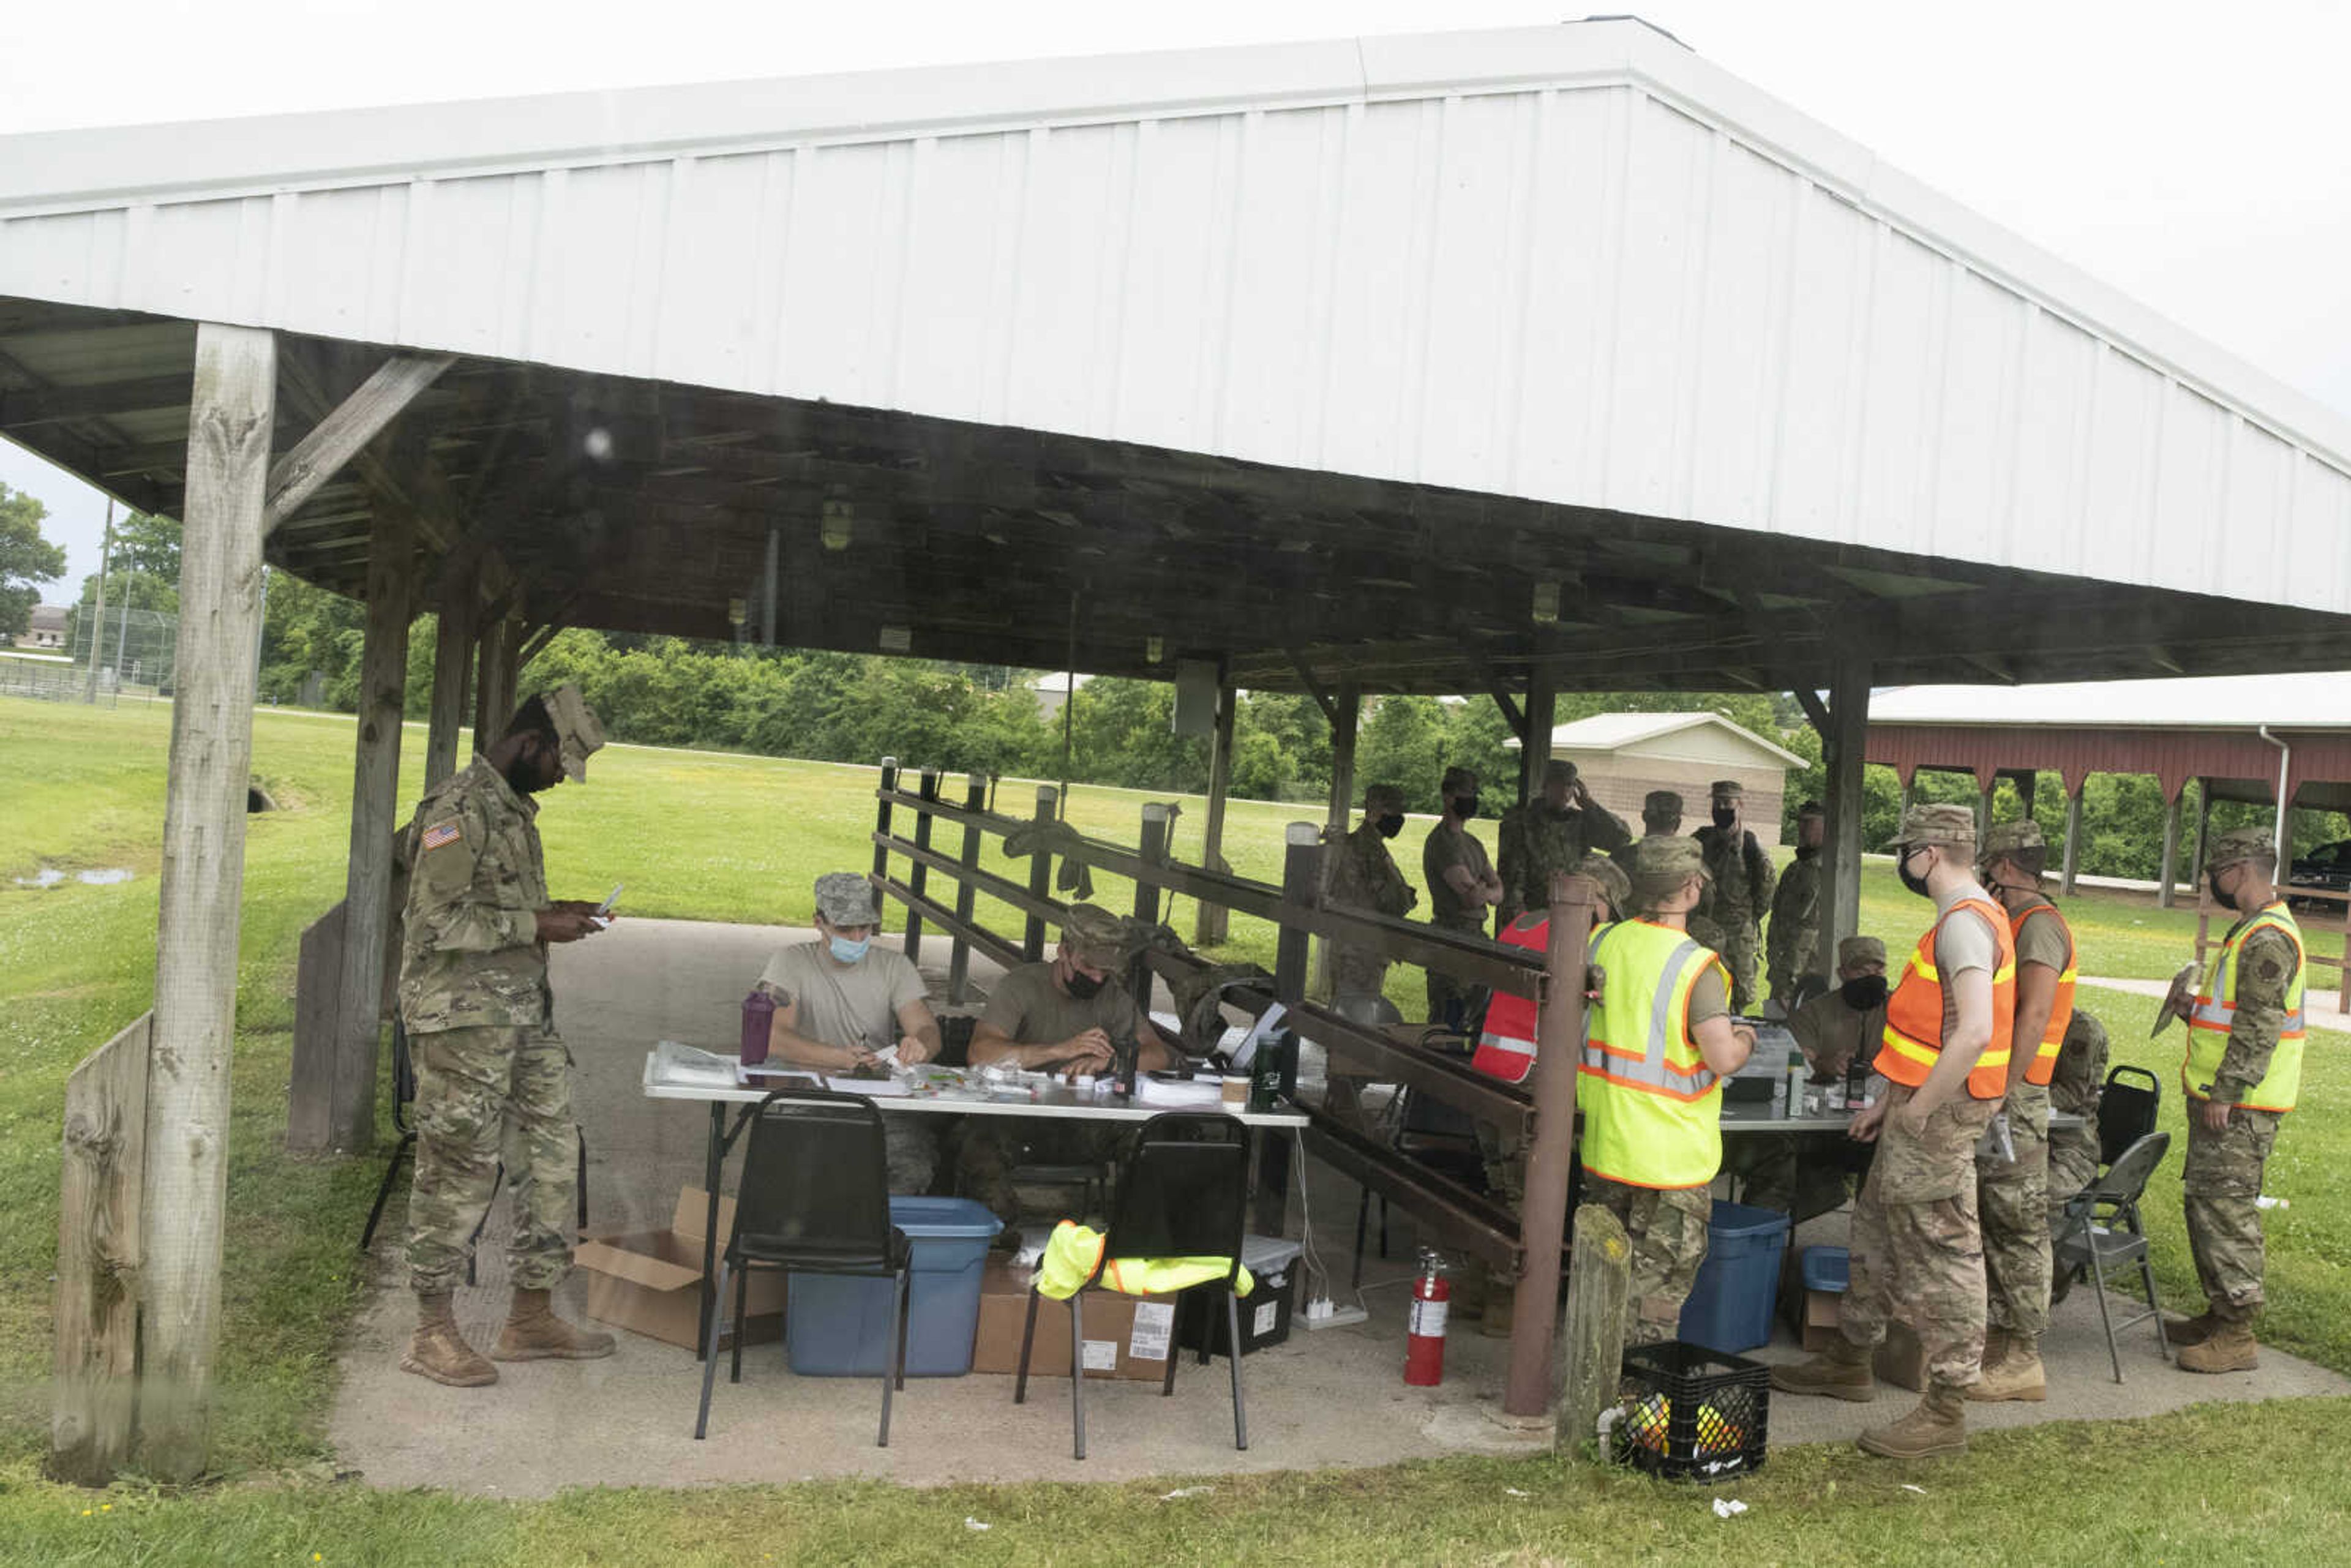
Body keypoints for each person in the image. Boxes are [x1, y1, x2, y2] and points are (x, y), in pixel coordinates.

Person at [1772, 803, 2011, 1460]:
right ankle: (1850, 1357)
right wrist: (1888, 1096)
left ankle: (1946, 1406)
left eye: (1906, 850)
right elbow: (1929, 1031)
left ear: (1929, 853)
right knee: (1873, 1230)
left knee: (1944, 1255)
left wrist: (1919, 1107)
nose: (1904, 862)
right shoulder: (1961, 919)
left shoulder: (1964, 924)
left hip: (1939, 1115)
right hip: (1915, 1106)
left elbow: (1975, 1033)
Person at [396, 685, 617, 1387]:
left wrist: (557, 911)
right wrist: (535, 926)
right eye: (558, 763)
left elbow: (498, 907)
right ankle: (432, 1331)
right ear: (529, 744)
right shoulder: (456, 810)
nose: (560, 777)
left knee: (554, 1159)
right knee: (458, 1167)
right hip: (461, 1023)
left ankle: (530, 1317)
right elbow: (434, 925)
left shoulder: (511, 808)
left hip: (524, 1018)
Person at [1573, 837, 1754, 1345]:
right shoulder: (1696, 966)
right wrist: (1746, 1038)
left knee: (1605, 1277)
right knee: (1657, 1292)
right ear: (1693, 887)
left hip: (1607, 1146)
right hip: (1670, 1160)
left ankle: (1594, 1382)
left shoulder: (1602, 942)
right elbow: (1721, 1057)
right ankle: (1635, 1401)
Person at [1457, 853, 1630, 1338]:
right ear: (1596, 900)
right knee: (1526, 1199)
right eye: (1608, 908)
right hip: (1530, 1075)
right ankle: (1504, 1303)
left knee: (1495, 1190)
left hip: (1490, 1070)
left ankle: (1476, 1289)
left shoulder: (1523, 921)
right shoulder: (1583, 938)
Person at [2166, 827, 2306, 1374]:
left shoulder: (2268, 936)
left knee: (2227, 1209)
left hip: (2241, 1105)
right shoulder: (2250, 931)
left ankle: (2238, 1331)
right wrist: (2189, 1010)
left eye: (2215, 873)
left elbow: (2259, 1024)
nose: (2210, 885)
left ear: (2240, 871)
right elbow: (2233, 1016)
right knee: (2205, 1203)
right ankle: (2220, 1311)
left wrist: (2227, 1090)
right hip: (2226, 1097)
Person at [956, 904, 1178, 1234]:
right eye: (1089, 967)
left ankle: (1132, 1242)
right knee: (976, 1146)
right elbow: (981, 1053)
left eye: (1106, 972)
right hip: (1020, 1117)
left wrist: (1113, 1062)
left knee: (1152, 1140)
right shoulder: (1021, 986)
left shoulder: (1112, 998)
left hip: (1087, 1122)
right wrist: (1058, 1050)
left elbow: (1159, 1055)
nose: (1097, 979)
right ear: (1063, 952)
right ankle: (1003, 1239)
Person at [1969, 820, 2077, 1403]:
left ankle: (2023, 1356)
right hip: (2005, 1091)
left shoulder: (2038, 927)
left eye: (1992, 867)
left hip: (2017, 1094)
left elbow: (2033, 1016)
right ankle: (2000, 1343)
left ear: (2008, 867)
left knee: (2018, 1225)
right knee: (1997, 1221)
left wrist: (2000, 1092)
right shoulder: (2017, 920)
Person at [753, 872, 943, 1192]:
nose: (857, 938)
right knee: (793, 1163)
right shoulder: (790, 962)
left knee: (911, 1164)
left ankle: (881, 1238)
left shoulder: (894, 966)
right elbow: (770, 1035)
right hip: (806, 1091)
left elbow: (928, 1030)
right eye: (844, 928)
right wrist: (837, 1057)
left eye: (865, 927)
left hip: (877, 1095)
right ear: (819, 922)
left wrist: (919, 1045)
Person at [1729, 935, 1888, 1221]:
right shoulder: (1816, 1013)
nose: (1871, 978)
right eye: (1861, 971)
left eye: (1878, 971)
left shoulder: (1899, 1009)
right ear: (1842, 974)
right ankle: (1761, 1235)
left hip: (1877, 1122)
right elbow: (1795, 1064)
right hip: (1818, 1128)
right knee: (1777, 1154)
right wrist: (1828, 1066)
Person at [1496, 757, 1630, 923]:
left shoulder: (1579, 821)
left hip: (1578, 911)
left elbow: (1621, 839)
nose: (1565, 791)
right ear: (1545, 786)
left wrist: (1589, 805)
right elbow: (1512, 882)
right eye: (1559, 784)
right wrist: (1520, 923)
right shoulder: (1521, 824)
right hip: (1537, 914)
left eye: (1570, 785)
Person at [1422, 765, 1503, 1027]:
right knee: (1448, 1022)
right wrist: (1485, 891)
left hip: (1475, 937)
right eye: (1466, 793)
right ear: (1448, 797)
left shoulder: (1473, 843)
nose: (1472, 800)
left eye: (1473, 793)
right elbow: (1471, 899)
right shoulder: (1442, 843)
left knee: (1477, 1019)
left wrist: (1485, 890)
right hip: (1450, 938)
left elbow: (1498, 891)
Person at [1325, 781, 1419, 1004]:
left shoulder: (1357, 843)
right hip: (1363, 950)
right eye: (1394, 812)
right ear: (1376, 812)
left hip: (1349, 945)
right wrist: (1407, 896)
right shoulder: (1371, 850)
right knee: (1356, 1015)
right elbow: (1392, 902)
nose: (1399, 819)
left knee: (1343, 1011)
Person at [1693, 779, 1777, 1014]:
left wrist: (1744, 917)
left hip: (1737, 934)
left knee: (1738, 993)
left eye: (1727, 803)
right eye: (1717, 802)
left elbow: (1766, 890)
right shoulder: (1700, 840)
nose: (1721, 808)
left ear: (1740, 806)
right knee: (1698, 987)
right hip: (1703, 928)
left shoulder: (1750, 845)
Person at [2044, 1008, 2110, 1225]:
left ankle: (2052, 1254)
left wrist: (2018, 1098)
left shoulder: (2081, 1030)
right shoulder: (2029, 1018)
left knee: (2032, 1197)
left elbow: (2071, 1094)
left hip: (2070, 1146)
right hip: (2029, 1137)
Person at [1766, 801, 1828, 1007]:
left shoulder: (1831, 872)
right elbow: (1776, 914)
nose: (1801, 828)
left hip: (1808, 975)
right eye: (1800, 822)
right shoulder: (1794, 869)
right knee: (1774, 1031)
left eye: (1809, 823)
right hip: (1781, 970)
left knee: (1804, 1031)